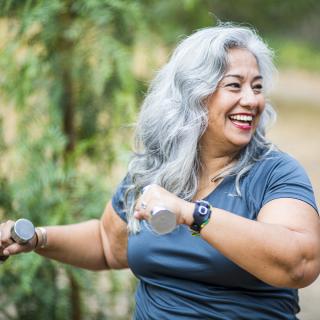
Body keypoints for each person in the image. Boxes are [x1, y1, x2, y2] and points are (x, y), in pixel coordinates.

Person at [0, 23, 320, 319]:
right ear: (193, 95)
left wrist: (193, 214)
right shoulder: (156, 168)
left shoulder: (276, 173)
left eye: (257, 86)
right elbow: (107, 245)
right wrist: (38, 238)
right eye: (234, 86)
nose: (252, 100)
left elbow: (300, 263)